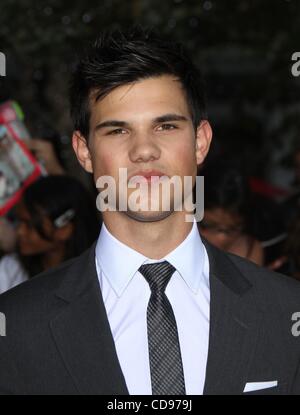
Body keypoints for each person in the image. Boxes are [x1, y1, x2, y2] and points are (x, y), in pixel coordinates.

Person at [0, 27, 300, 395]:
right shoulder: (15, 327)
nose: (144, 150)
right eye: (118, 131)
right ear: (84, 152)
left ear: (200, 141)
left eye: (166, 125)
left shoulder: (285, 312)